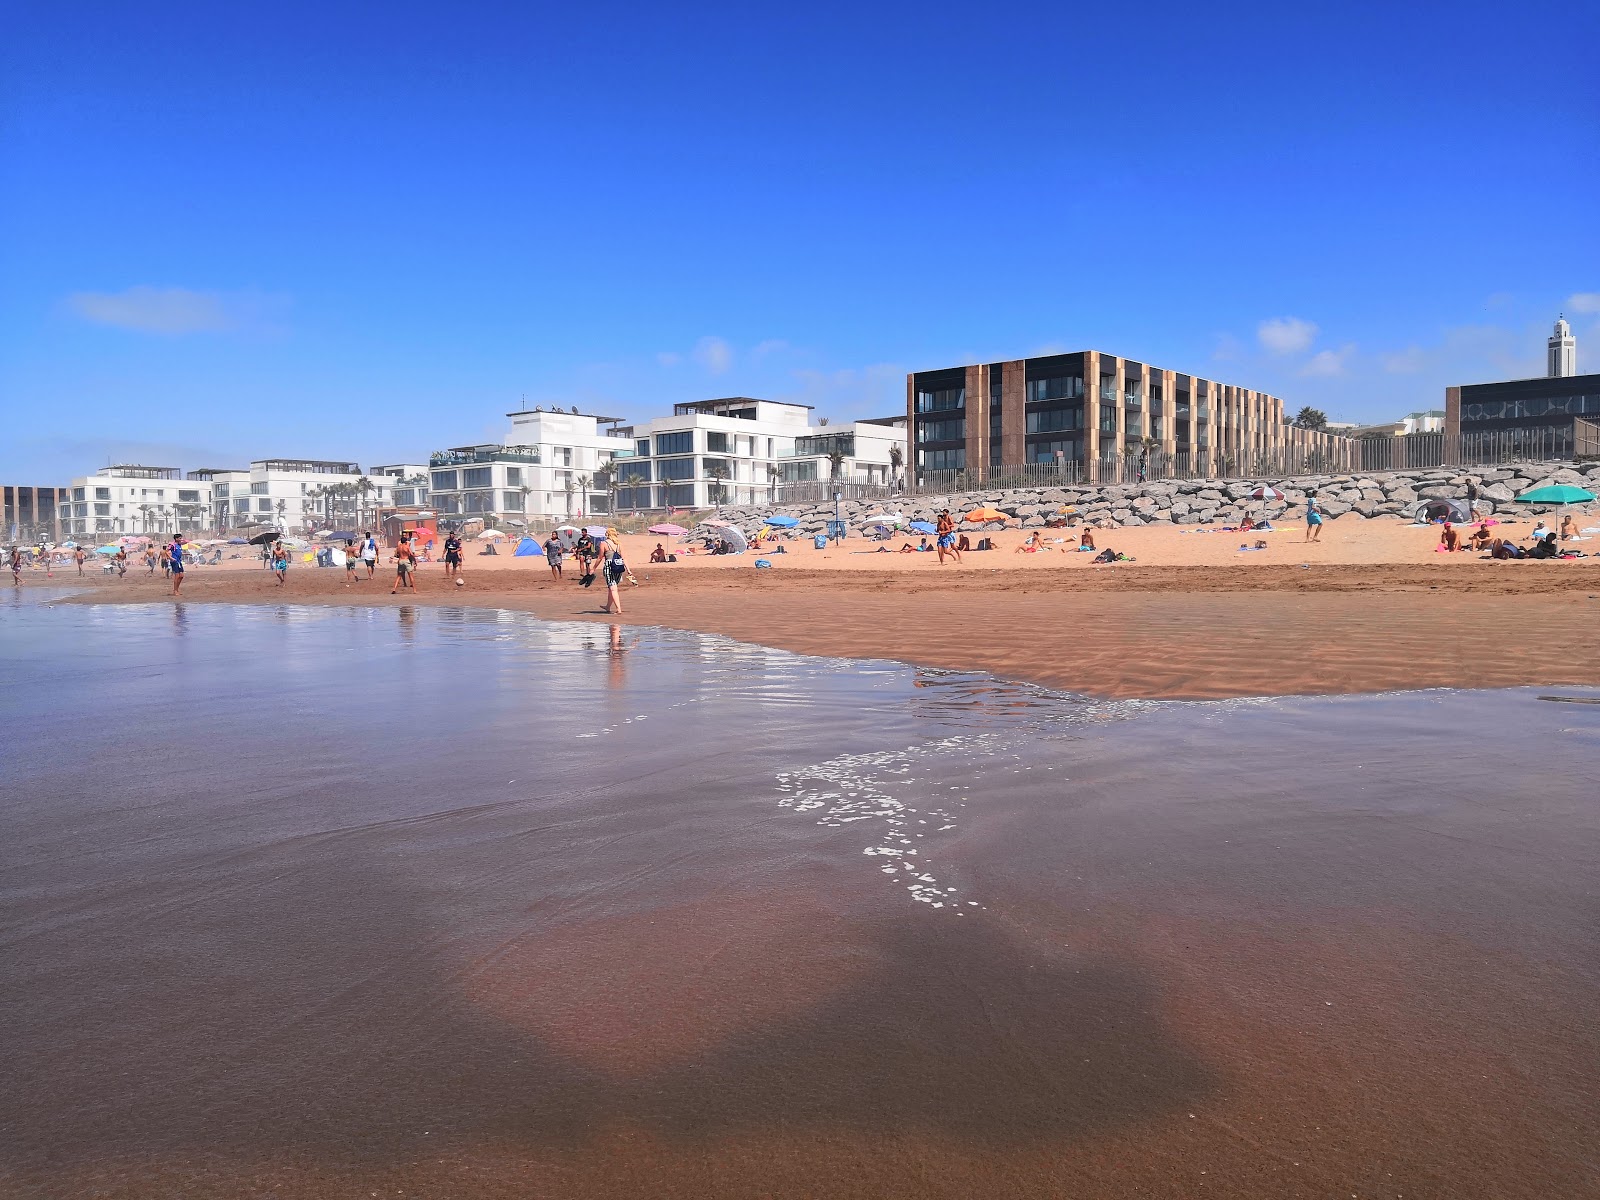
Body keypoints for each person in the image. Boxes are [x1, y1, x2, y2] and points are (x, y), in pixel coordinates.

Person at [601, 542, 627, 614]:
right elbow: (624, 558)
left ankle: (618, 609)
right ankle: (608, 607)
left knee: (613, 589)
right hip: (619, 565)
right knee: (612, 588)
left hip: (610, 566)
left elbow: (600, 557)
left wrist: (593, 568)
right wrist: (628, 570)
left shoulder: (604, 544)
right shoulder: (619, 544)